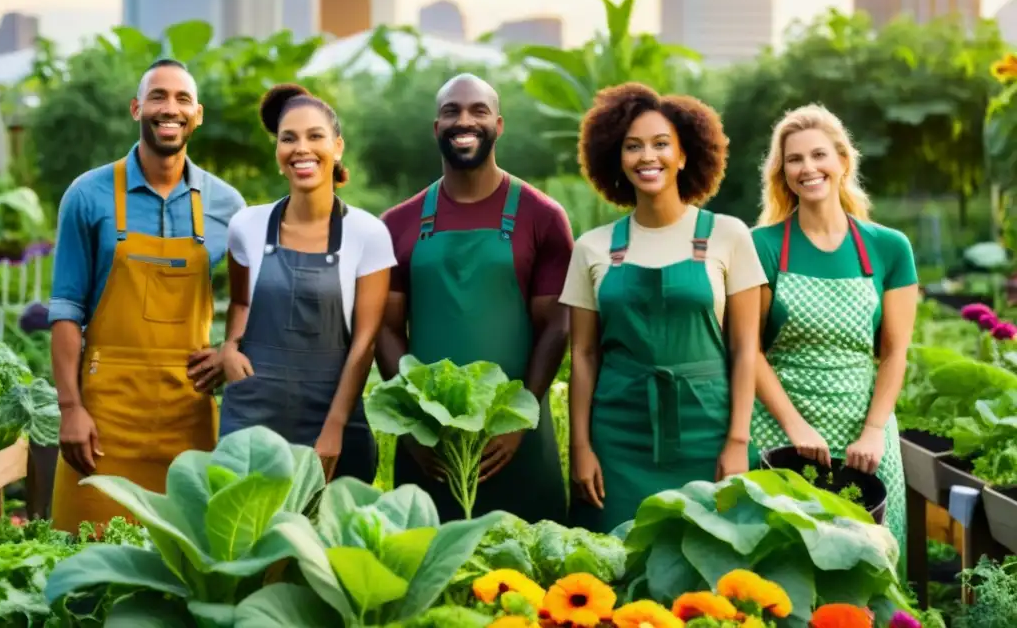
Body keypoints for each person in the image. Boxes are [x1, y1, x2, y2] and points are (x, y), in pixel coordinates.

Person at [49, 59, 245, 533]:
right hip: (103, 420)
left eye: (182, 99)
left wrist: (229, 348)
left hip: (189, 412)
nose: (169, 108)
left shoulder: (228, 206)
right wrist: (71, 409)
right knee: (84, 563)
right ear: (137, 107)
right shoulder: (87, 194)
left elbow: (246, 299)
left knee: (182, 567)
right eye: (157, 96)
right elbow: (65, 311)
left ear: (197, 114)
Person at [561, 83, 765, 534]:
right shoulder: (592, 248)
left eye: (660, 144)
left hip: (708, 432)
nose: (646, 157)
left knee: (713, 564)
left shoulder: (728, 236)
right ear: (616, 158)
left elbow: (746, 349)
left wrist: (737, 440)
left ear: (685, 155)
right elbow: (583, 355)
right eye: (632, 146)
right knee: (614, 562)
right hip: (618, 435)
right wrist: (581, 447)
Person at [376, 73, 573, 524]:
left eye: (478, 110)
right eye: (451, 111)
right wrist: (414, 429)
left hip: (518, 440)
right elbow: (385, 328)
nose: (464, 120)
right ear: (436, 128)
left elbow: (556, 326)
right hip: (430, 445)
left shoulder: (541, 216)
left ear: (499, 125)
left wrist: (519, 420)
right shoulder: (399, 222)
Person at [750, 104, 917, 555]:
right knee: (784, 564)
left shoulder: (889, 248)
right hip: (780, 433)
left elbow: (895, 352)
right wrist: (794, 427)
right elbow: (750, 351)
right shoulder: (761, 246)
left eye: (819, 155)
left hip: (864, 433)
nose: (808, 168)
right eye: (794, 159)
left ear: (844, 161)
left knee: (872, 566)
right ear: (782, 173)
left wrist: (873, 430)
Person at [217, 84, 395, 482]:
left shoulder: (367, 233)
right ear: (277, 152)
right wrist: (229, 346)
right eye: (288, 138)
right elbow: (242, 303)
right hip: (252, 415)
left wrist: (333, 428)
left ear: (337, 146)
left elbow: (365, 342)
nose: (302, 148)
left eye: (315, 136)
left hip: (332, 414)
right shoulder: (246, 225)